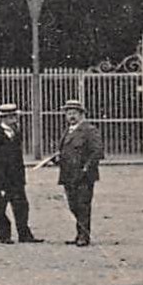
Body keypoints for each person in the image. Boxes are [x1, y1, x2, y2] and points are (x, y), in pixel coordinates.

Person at [0, 104, 42, 244]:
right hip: (1, 179)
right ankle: (5, 236)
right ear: (3, 118)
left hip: (17, 178)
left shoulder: (16, 134)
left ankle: (24, 234)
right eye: (10, 117)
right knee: (2, 208)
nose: (14, 120)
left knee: (22, 206)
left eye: (15, 116)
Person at [56, 99, 105, 246]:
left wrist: (86, 168)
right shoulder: (67, 131)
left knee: (83, 205)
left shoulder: (89, 130)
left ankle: (84, 236)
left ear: (81, 114)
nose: (71, 116)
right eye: (68, 113)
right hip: (68, 175)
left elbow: (97, 152)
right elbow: (66, 151)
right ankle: (79, 234)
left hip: (83, 176)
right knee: (73, 205)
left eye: (74, 113)